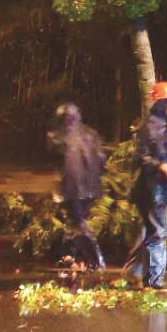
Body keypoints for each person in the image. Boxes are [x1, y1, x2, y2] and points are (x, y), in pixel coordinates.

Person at [125, 80, 167, 290]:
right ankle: (155, 281)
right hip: (151, 189)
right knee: (158, 232)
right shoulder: (150, 127)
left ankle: (133, 273)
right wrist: (165, 168)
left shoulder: (158, 126)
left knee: (150, 230)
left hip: (154, 188)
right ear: (162, 102)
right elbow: (141, 158)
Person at [46, 102, 106, 270]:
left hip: (72, 189)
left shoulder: (58, 137)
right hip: (90, 189)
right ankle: (70, 257)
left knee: (78, 223)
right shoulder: (90, 134)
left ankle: (95, 259)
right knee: (74, 223)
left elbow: (55, 159)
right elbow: (101, 159)